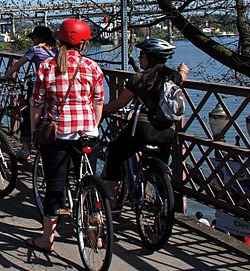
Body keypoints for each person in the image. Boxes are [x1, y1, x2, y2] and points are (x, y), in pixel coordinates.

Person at [26, 18, 104, 254]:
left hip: (57, 134)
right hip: (87, 133)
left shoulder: (47, 66)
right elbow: (98, 102)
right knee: (89, 182)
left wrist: (34, 129)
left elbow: (36, 104)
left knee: (55, 186)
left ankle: (47, 238)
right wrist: (92, 125)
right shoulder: (92, 67)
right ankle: (95, 235)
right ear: (83, 44)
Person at [102, 38, 189, 204]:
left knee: (114, 152)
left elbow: (120, 104)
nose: (140, 58)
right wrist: (183, 69)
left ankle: (112, 204)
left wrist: (103, 109)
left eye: (142, 55)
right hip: (167, 132)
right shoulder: (174, 77)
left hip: (143, 129)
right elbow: (182, 76)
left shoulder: (138, 78)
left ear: (151, 58)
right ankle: (163, 211)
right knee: (162, 168)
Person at [2, 25, 58, 160]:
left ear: (39, 38)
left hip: (39, 87)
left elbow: (17, 65)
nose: (32, 40)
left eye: (33, 37)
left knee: (27, 114)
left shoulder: (35, 50)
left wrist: (5, 76)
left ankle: (26, 149)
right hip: (56, 88)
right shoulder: (58, 51)